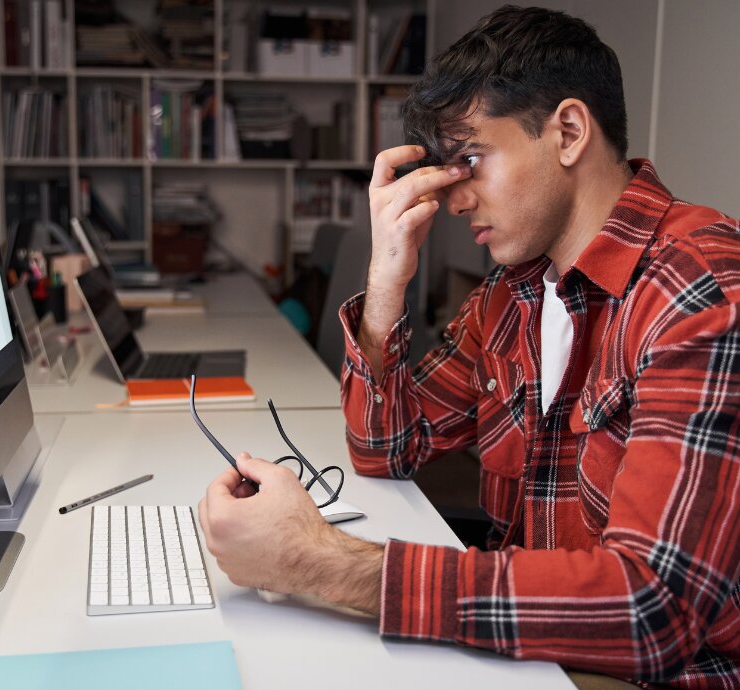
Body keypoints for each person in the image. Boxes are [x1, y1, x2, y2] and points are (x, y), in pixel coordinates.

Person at [198, 5, 739, 688]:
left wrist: (320, 561)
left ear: (568, 132)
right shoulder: (511, 295)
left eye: (471, 160)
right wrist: (387, 281)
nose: (454, 199)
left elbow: (649, 612)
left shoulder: (699, 289)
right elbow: (386, 449)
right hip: (538, 652)